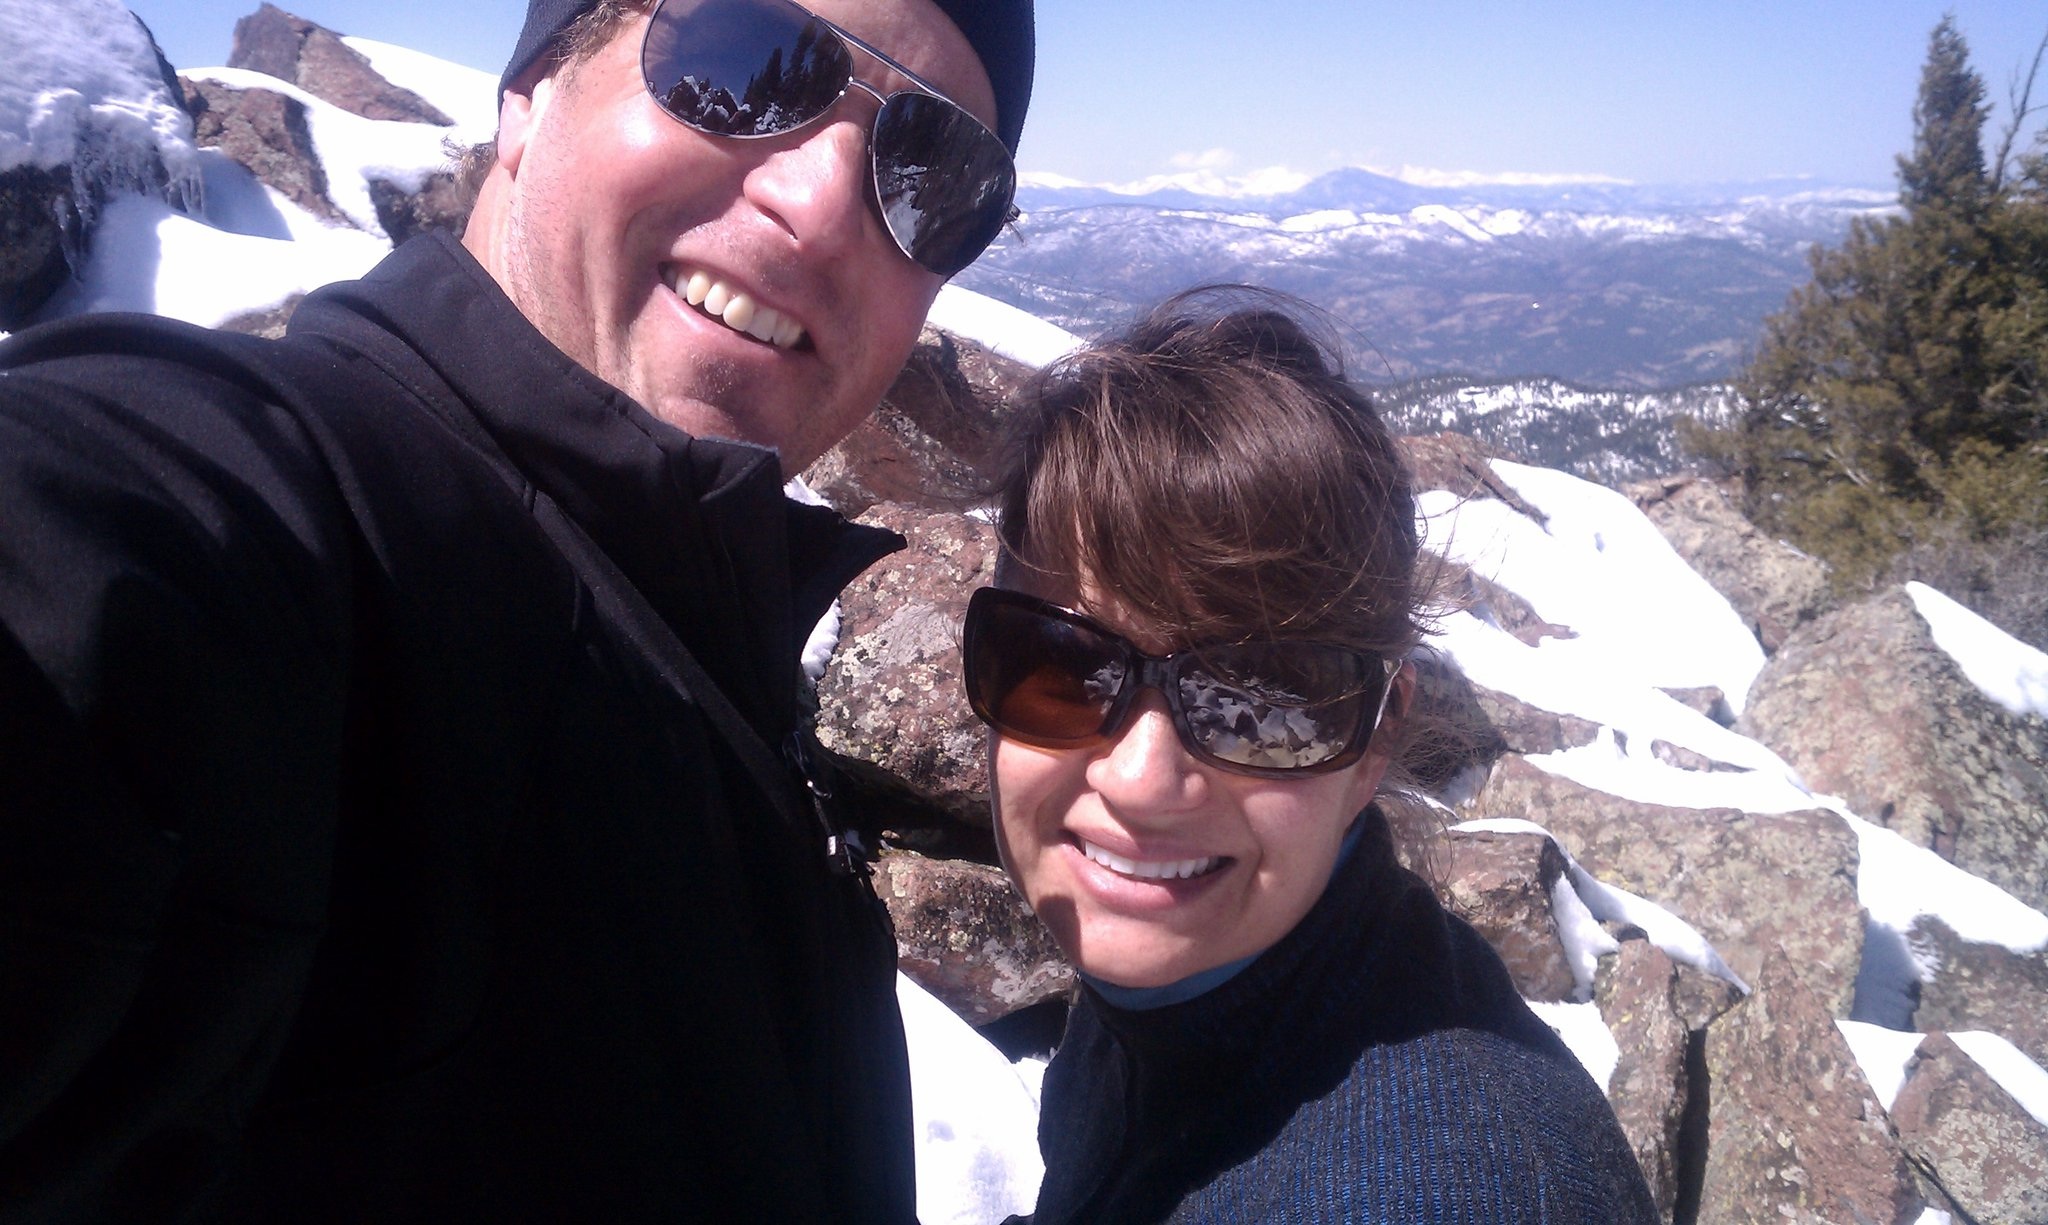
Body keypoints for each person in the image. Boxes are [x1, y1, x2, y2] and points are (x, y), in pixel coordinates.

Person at [0, 0, 1029, 1218]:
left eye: (935, 172)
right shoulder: (273, 517)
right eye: (745, 61)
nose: (819, 206)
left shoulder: (698, 611)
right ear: (529, 98)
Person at [961, 289, 1661, 1223]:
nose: (1140, 780)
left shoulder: (1456, 1193)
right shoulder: (1185, 978)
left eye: (1259, 698)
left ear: (1376, 738)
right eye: (1064, 662)